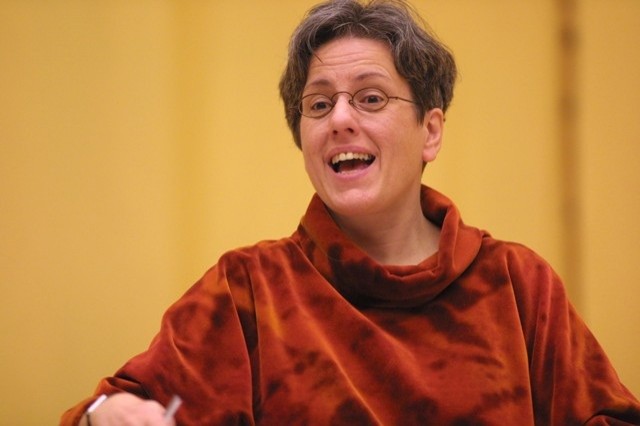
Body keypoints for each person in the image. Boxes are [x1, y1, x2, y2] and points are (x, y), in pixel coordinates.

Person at [61, 0, 640, 424]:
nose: (339, 118)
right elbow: (117, 405)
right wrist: (106, 414)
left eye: (370, 98)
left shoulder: (518, 284)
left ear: (430, 131)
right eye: (318, 104)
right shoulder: (247, 290)